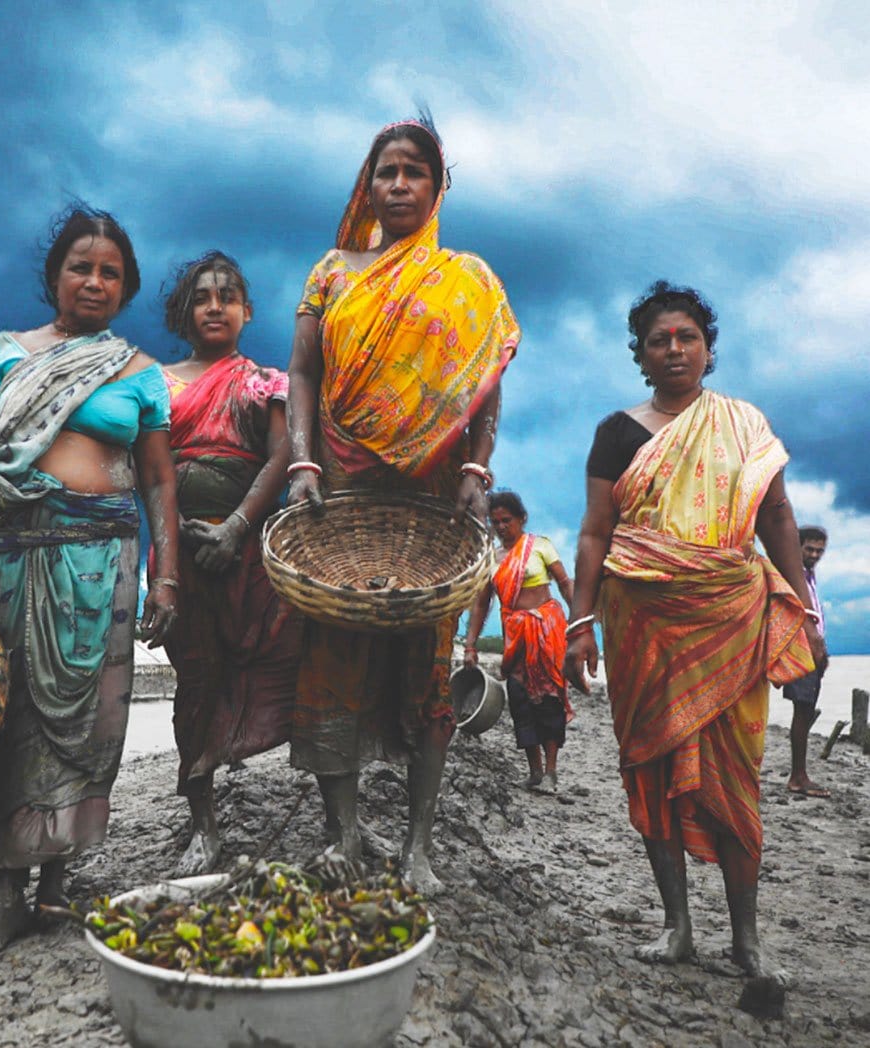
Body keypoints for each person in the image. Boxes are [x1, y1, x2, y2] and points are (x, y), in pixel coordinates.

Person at [0, 206, 180, 954]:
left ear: (125, 286)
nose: (94, 281)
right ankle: (4, 893)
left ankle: (58, 883)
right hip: (11, 557)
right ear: (54, 277)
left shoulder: (137, 373)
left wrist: (168, 580)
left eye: (110, 272)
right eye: (80, 267)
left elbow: (160, 481)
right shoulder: (2, 355)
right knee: (6, 721)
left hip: (106, 565)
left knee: (89, 725)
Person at [285, 116, 520, 893]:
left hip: (429, 499)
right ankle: (344, 832)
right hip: (342, 492)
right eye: (386, 171)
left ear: (436, 186)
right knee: (331, 663)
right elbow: (303, 376)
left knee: (424, 669)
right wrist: (303, 461)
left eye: (414, 172)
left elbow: (487, 387)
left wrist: (477, 472)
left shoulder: (469, 282)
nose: (398, 185)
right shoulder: (333, 271)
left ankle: (418, 844)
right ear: (367, 183)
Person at [564, 281, 825, 978]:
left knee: (737, 776)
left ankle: (747, 939)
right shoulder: (616, 433)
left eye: (687, 338)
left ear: (709, 352)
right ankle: (677, 925)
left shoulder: (743, 425)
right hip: (639, 623)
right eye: (659, 340)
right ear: (640, 356)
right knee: (650, 769)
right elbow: (595, 533)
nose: (674, 349)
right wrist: (578, 623)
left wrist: (807, 611)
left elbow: (776, 522)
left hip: (733, 621)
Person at [159, 251, 302, 875]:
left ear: (247, 311)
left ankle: (326, 806)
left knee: (288, 660)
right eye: (201, 297)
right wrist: (166, 563)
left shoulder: (266, 381)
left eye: (227, 296)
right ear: (183, 313)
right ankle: (204, 826)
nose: (214, 306)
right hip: (181, 556)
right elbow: (152, 476)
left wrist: (237, 526)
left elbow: (282, 456)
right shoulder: (155, 385)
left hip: (253, 554)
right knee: (195, 684)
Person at [465, 491, 575, 792]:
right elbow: (481, 604)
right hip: (515, 639)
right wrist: (470, 645)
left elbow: (564, 583)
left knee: (550, 699)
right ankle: (535, 771)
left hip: (545, 634)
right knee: (521, 700)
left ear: (522, 519)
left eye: (507, 520)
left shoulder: (539, 547)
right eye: (495, 521)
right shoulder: (492, 559)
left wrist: (580, 621)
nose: (501, 527)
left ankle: (552, 772)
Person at [782, 525, 830, 798]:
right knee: (803, 712)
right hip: (800, 650)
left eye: (819, 550)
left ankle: (799, 774)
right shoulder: (793, 576)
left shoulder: (808, 576)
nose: (814, 554)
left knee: (806, 710)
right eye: (810, 549)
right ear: (798, 547)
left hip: (813, 650)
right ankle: (798, 777)